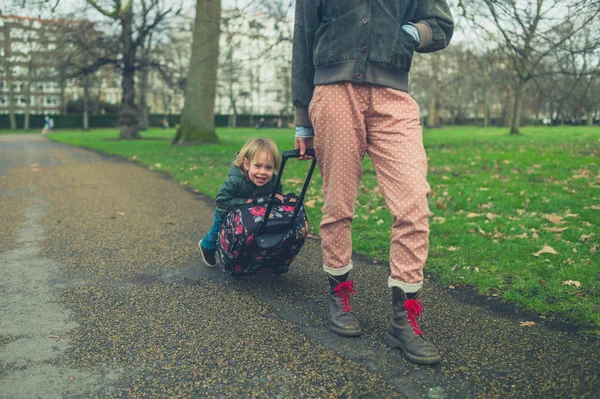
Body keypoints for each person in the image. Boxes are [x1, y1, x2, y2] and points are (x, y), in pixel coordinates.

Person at [292, 1, 454, 365]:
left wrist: (412, 33)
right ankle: (340, 295)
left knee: (414, 202)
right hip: (333, 94)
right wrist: (303, 117)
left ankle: (404, 320)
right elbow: (302, 39)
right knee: (338, 201)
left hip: (393, 96)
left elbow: (441, 24)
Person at [199, 138, 282, 267]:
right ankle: (206, 246)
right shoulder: (235, 181)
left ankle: (245, 257)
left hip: (252, 215)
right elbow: (221, 200)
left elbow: (277, 190)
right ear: (246, 164)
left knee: (250, 237)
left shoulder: (273, 180)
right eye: (258, 166)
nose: (263, 172)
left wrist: (277, 196)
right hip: (227, 212)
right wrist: (245, 202)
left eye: (269, 168)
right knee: (218, 234)